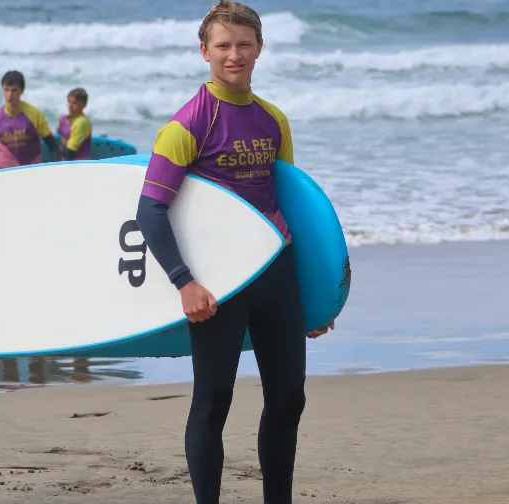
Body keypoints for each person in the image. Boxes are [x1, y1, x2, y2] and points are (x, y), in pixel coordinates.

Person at [134, 1, 335, 503]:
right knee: (213, 401)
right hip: (219, 282)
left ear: (259, 49)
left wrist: (317, 297)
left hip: (275, 275)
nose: (234, 55)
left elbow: (294, 209)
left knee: (289, 397)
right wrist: (185, 281)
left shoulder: (273, 120)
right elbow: (150, 212)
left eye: (244, 44)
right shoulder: (187, 124)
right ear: (204, 51)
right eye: (223, 45)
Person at [0, 70, 60, 170]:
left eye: (14, 90)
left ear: (22, 90)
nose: (9, 95)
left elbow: (53, 146)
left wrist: (58, 170)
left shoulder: (34, 114)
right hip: (4, 171)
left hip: (31, 170)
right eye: (6, 90)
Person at [57, 87, 93, 160]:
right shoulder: (63, 119)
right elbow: (59, 139)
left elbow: (70, 153)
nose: (70, 106)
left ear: (84, 105)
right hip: (64, 162)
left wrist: (56, 145)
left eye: (75, 103)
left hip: (79, 164)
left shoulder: (82, 123)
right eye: (69, 102)